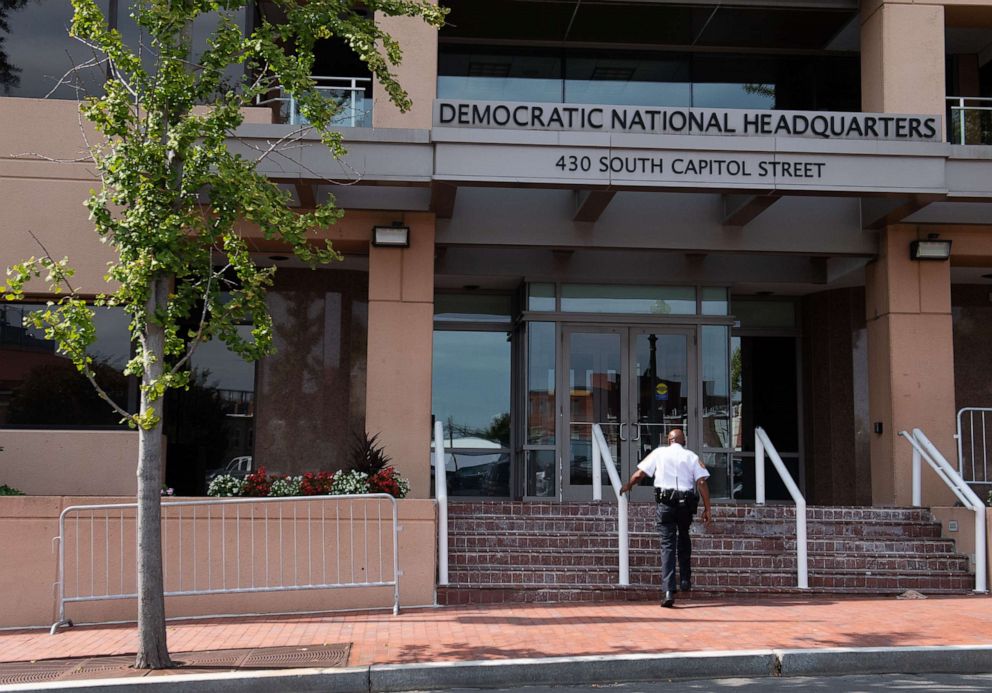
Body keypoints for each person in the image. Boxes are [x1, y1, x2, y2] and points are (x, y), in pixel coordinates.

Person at [620, 428, 712, 608]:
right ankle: (685, 579)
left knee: (667, 546)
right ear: (683, 441)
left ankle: (669, 590)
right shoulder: (691, 456)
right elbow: (701, 482)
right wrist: (708, 508)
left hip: (665, 505)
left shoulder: (659, 453)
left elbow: (639, 474)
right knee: (684, 537)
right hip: (685, 505)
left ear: (669, 440)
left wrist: (628, 486)